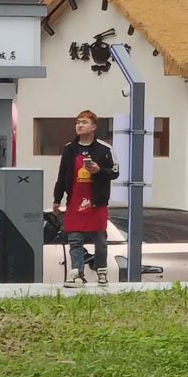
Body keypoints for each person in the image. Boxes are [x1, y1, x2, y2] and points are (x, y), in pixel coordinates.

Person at [52, 110, 118, 287]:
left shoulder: (105, 149)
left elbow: (115, 173)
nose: (80, 125)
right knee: (74, 238)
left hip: (97, 201)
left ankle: (102, 271)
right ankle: (77, 273)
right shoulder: (69, 149)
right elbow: (62, 175)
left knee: (100, 239)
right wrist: (57, 198)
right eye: (77, 122)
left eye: (84, 122)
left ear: (94, 126)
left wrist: (99, 171)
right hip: (75, 199)